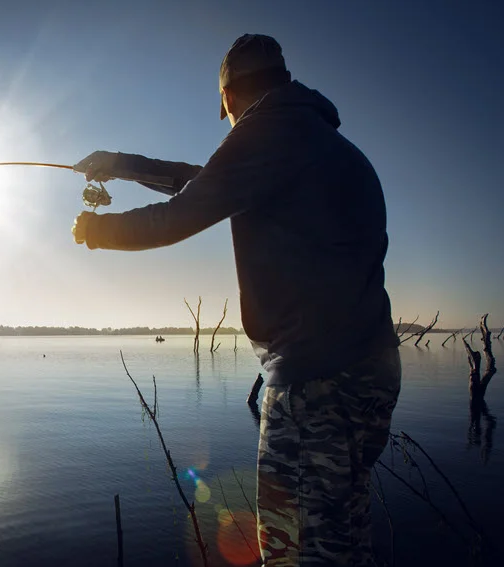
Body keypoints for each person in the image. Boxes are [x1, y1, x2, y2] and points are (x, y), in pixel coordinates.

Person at [71, 34, 402, 566]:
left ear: (226, 98)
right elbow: (207, 181)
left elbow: (185, 210)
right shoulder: (307, 137)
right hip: (361, 368)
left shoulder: (269, 132)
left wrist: (96, 230)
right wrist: (122, 163)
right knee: (340, 535)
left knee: (297, 548)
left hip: (317, 378)